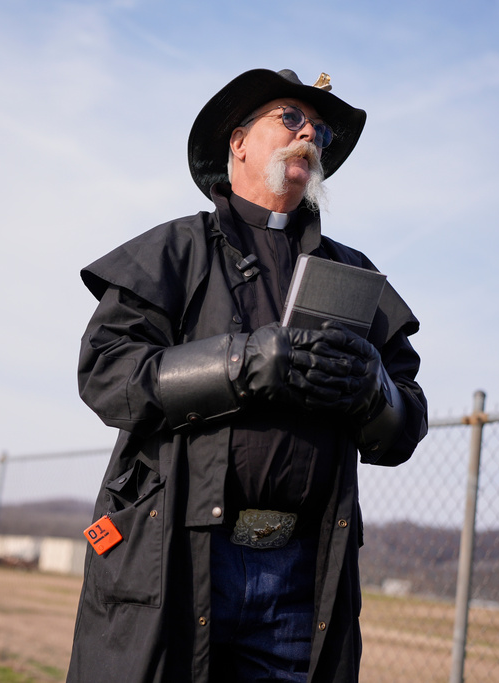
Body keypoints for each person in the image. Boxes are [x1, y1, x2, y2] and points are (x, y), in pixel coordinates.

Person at [66, 69, 428, 683]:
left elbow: (405, 423)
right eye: (291, 118)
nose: (310, 131)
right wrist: (244, 362)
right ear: (237, 142)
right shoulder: (173, 252)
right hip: (178, 558)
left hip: (303, 574)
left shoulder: (355, 276)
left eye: (320, 130)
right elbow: (107, 372)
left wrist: (374, 390)